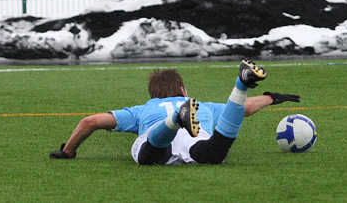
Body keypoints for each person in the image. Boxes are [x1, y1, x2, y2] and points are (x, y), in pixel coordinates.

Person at [49, 60, 300, 165]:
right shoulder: (198, 104)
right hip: (196, 136)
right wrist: (270, 97)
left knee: (152, 156)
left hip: (157, 134)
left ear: (153, 96)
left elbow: (90, 122)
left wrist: (68, 150)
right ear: (183, 90)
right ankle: (241, 84)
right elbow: (243, 109)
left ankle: (171, 122)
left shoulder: (143, 109)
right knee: (212, 154)